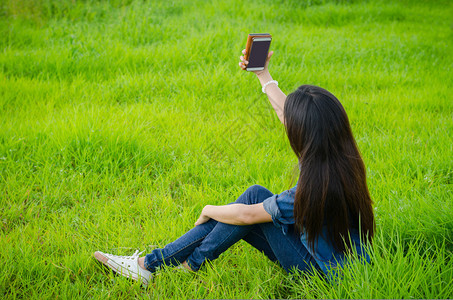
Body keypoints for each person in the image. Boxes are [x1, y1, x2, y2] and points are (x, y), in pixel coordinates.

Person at [94, 48, 375, 286]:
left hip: (320, 274)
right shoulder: (338, 156)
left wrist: (207, 209)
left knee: (250, 200)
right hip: (336, 258)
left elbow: (247, 215)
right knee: (246, 204)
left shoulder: (312, 189)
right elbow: (285, 111)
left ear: (305, 134)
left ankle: (157, 265)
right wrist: (262, 74)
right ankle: (165, 264)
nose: (287, 121)